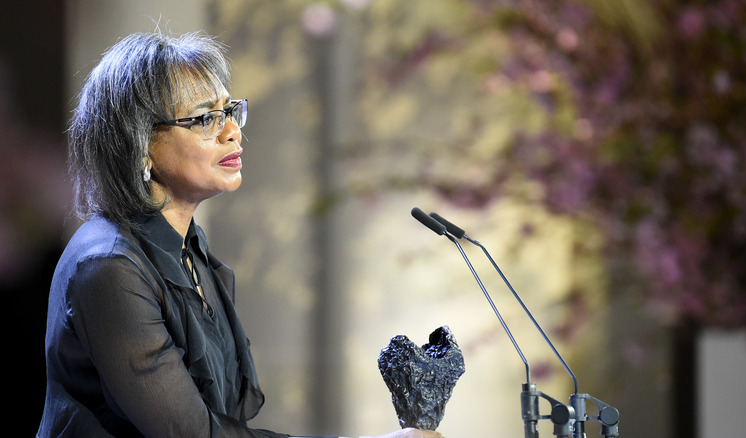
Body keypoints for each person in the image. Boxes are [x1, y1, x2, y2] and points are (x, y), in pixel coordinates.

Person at [37, 31, 442, 438]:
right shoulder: (109, 269)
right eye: (205, 118)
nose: (232, 131)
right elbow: (191, 433)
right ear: (139, 144)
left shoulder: (188, 248)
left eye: (229, 110)